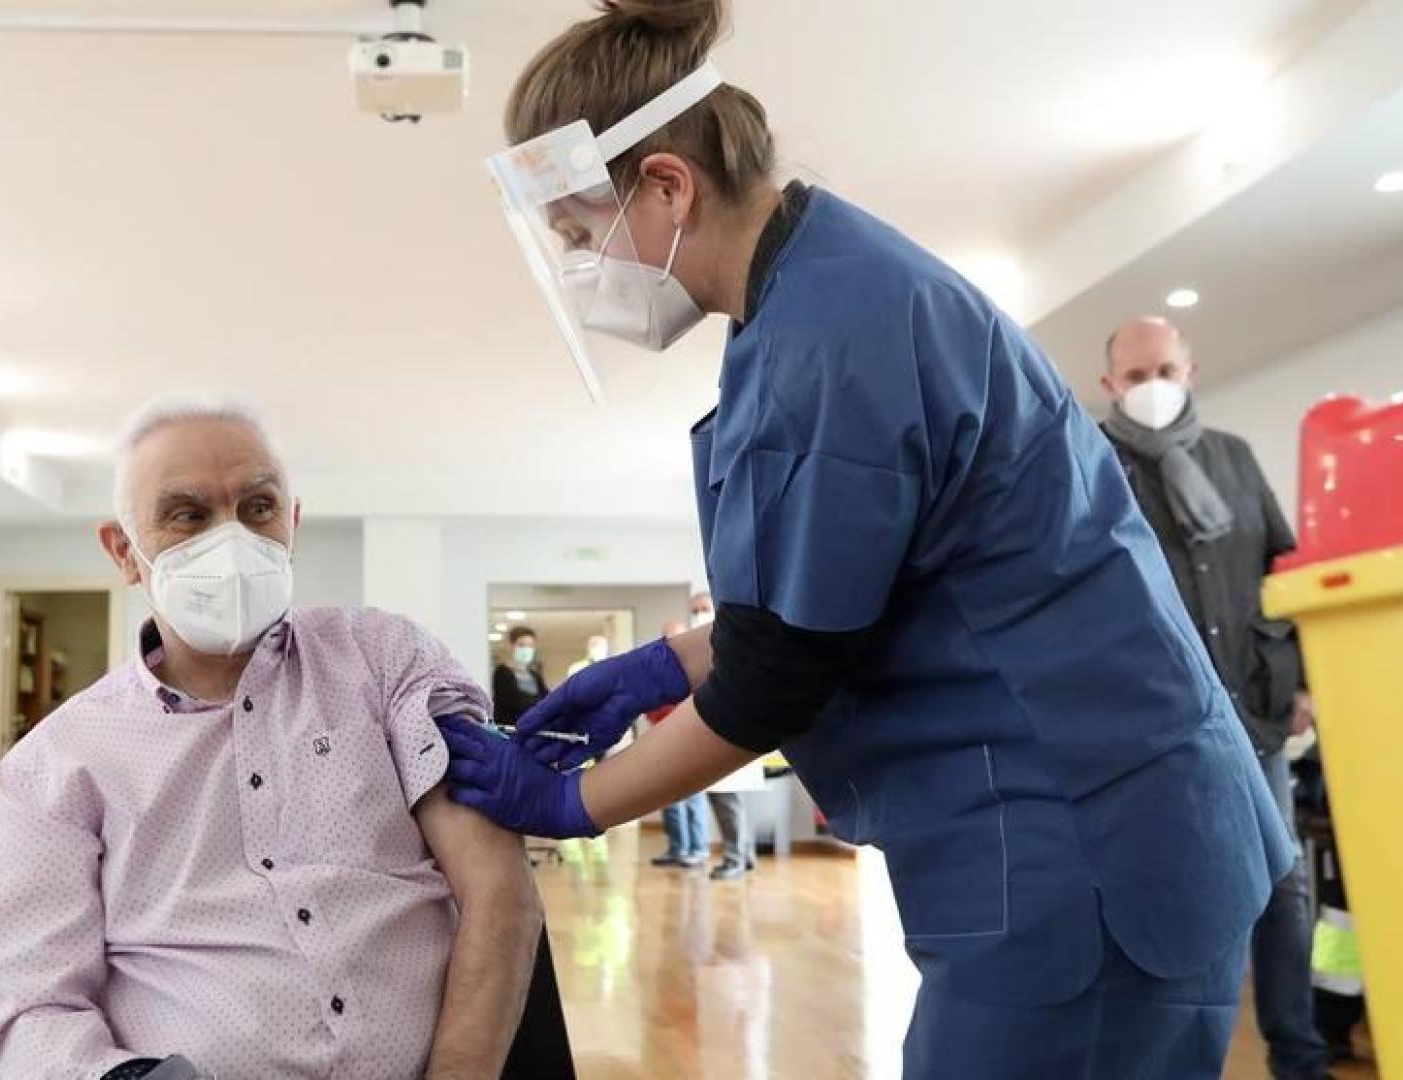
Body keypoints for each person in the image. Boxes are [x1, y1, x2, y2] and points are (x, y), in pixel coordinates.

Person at [438, 3, 1294, 1076]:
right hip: (1074, 829)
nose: (577, 263)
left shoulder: (830, 339)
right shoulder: (816, 294)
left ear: (665, 184)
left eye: (576, 232)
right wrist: (653, 665)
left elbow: (776, 682)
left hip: (1086, 845)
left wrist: (569, 801)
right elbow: (841, 600)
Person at [0, 396, 542, 1080]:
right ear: (124, 551)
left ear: (291, 522)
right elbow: (27, 1015)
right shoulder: (54, 766)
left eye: (258, 507)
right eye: (187, 515)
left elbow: (497, 887)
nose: (232, 541)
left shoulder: (384, 660)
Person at [1100, 316, 1329, 1080]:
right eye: (1135, 378)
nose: (1152, 388)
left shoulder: (1232, 457)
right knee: (1180, 893)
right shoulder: (1093, 464)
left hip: (1254, 710)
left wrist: (1301, 678)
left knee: (1282, 886)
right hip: (1155, 725)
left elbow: (1281, 570)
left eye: (1164, 370)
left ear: (1190, 370)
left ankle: (1299, 1055)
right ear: (1110, 387)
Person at [688, 593, 760, 881]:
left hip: (732, 730)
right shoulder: (709, 643)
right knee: (726, 801)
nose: (698, 614)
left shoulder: (733, 639)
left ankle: (735, 858)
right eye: (695, 610)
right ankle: (745, 855)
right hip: (718, 730)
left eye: (703, 609)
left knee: (728, 801)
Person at [644, 618, 709, 869]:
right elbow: (650, 699)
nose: (672, 641)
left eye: (677, 636)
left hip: (692, 738)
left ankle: (698, 849)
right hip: (663, 738)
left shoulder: (701, 664)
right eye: (667, 636)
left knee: (692, 797)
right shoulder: (657, 666)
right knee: (668, 798)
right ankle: (677, 848)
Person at [490, 626, 548, 726]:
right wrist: (538, 706)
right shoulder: (502, 672)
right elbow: (514, 701)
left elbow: (547, 700)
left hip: (534, 729)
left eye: (530, 646)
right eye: (521, 645)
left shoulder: (535, 676)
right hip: (511, 730)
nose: (526, 649)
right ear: (512, 646)